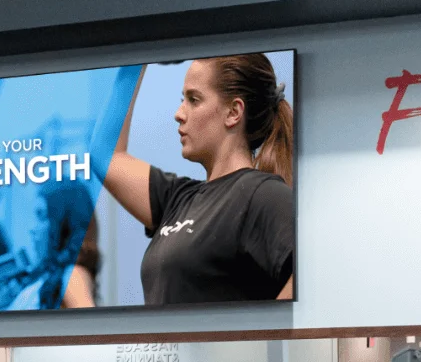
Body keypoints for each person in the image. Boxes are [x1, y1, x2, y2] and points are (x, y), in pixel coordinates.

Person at [102, 52, 296, 306]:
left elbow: (315, 272)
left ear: (233, 112)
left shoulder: (262, 195)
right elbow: (106, 156)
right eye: (183, 99)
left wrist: (261, 340)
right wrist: (136, 57)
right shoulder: (177, 198)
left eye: (194, 100)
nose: (179, 113)